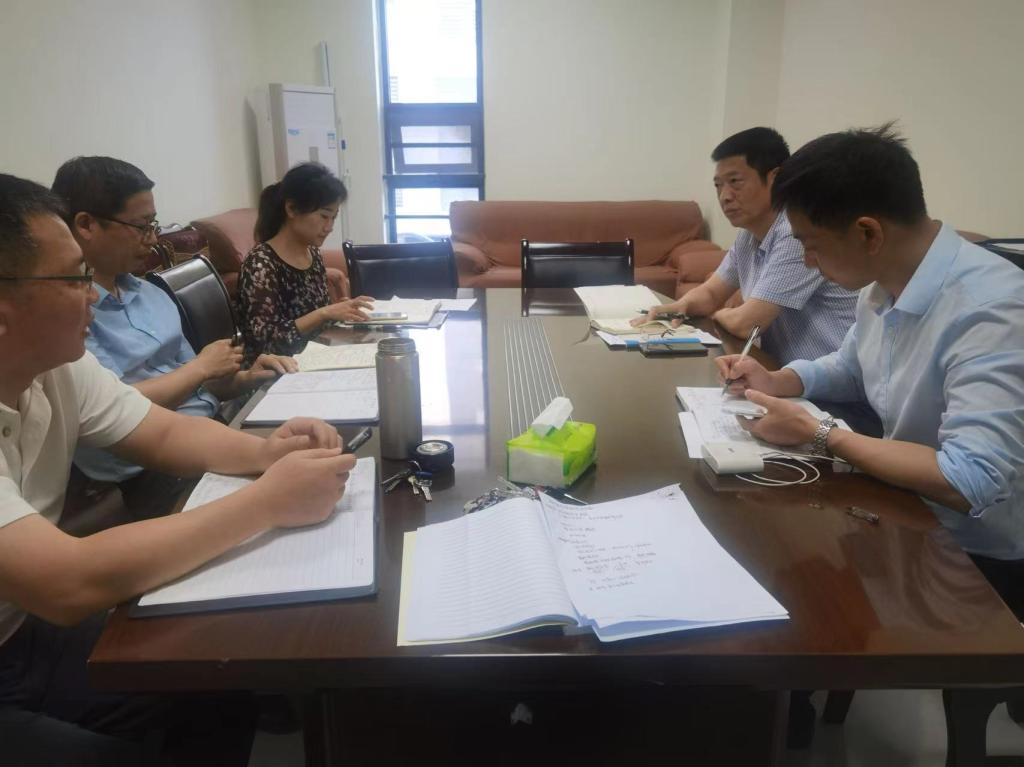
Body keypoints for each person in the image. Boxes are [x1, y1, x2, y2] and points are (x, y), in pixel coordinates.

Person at [0, 173, 356, 764]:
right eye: (73, 278)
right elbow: (66, 582)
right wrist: (267, 501)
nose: (93, 295)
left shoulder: (59, 365)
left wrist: (265, 455)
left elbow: (162, 431)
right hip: (28, 628)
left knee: (219, 681)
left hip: (23, 631)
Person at [716, 125, 1024, 600]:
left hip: (974, 559)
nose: (808, 261)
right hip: (900, 509)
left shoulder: (991, 308)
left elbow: (970, 478)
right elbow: (851, 367)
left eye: (811, 244)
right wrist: (777, 380)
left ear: (868, 232)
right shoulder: (882, 283)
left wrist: (820, 434)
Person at [51, 156, 299, 518]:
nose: (153, 240)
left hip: (210, 429)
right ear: (86, 225)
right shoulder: (68, 319)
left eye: (153, 225)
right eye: (141, 227)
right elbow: (114, 408)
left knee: (315, 455)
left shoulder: (151, 293)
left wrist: (246, 378)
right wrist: (200, 369)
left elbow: (200, 386)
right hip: (148, 470)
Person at [637, 127, 858, 365]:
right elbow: (711, 293)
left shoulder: (796, 235)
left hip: (834, 379)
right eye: (718, 185)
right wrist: (682, 306)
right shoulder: (748, 235)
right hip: (785, 371)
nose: (725, 196)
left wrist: (717, 315)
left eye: (735, 182)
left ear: (775, 179)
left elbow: (747, 324)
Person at [237, 163, 373, 365]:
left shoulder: (312, 253)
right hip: (278, 370)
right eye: (324, 216)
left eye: (333, 218)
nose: (329, 227)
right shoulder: (261, 264)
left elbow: (316, 319)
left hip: (316, 356)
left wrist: (341, 310)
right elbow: (264, 343)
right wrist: (324, 313)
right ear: (292, 209)